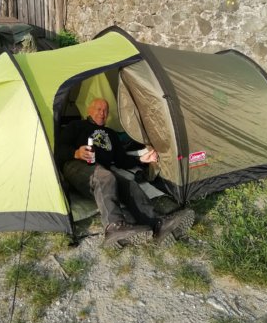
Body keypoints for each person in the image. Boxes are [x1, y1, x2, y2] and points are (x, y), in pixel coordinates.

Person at [58, 98, 194, 246]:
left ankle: (157, 223)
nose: (102, 113)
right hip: (75, 166)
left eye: (105, 110)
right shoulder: (76, 125)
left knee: (131, 185)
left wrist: (142, 160)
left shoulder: (111, 134)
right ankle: (114, 228)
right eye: (98, 109)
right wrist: (76, 153)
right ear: (89, 111)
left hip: (102, 172)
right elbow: (58, 149)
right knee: (105, 176)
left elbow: (121, 160)